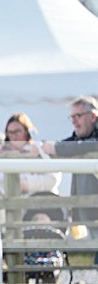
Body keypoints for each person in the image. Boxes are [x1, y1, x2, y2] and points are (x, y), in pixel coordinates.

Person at [42, 96, 98, 264]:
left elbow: (92, 145)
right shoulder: (82, 135)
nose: (73, 121)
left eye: (78, 116)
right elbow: (73, 143)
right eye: (72, 117)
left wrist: (56, 148)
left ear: (93, 116)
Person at [0, 113, 61, 197]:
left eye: (17, 131)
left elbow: (52, 179)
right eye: (10, 132)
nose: (14, 136)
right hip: (7, 202)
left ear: (27, 131)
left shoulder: (39, 148)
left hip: (38, 200)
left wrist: (27, 184)